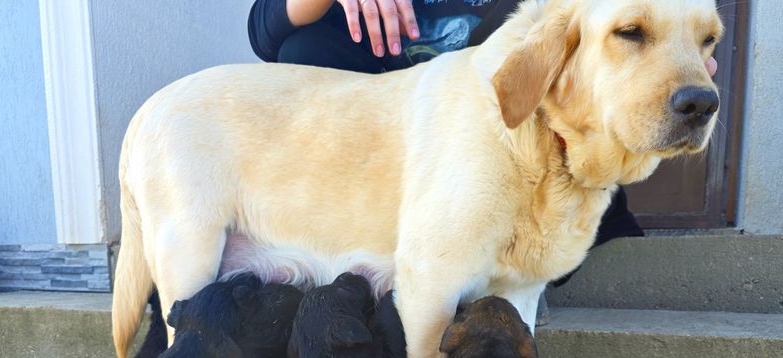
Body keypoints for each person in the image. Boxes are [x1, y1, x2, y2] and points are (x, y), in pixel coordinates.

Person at [246, 0, 717, 274]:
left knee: (528, 37)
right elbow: (265, 33)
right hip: (387, 190)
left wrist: (676, 59)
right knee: (302, 45)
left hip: (531, 187)